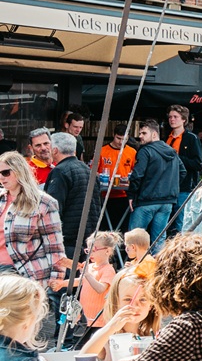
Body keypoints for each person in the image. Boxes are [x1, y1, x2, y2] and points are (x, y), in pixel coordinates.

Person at [0, 152, 66, 339]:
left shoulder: (43, 202)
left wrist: (56, 279)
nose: (1, 178)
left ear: (19, 171)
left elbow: (54, 244)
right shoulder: (1, 198)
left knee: (15, 328)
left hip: (21, 271)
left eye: (6, 172)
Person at [125, 120, 182, 249]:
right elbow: (182, 172)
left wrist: (131, 195)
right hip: (167, 201)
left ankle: (134, 267)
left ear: (155, 134)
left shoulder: (145, 151)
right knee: (159, 239)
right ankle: (158, 268)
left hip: (147, 200)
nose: (140, 136)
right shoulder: (172, 151)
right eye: (140, 133)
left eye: (144, 133)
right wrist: (170, 186)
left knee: (134, 238)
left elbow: (137, 175)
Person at [43, 132, 92, 254]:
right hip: (88, 236)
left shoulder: (59, 171)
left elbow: (53, 207)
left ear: (54, 150)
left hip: (67, 239)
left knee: (67, 273)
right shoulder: (87, 169)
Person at [77, 230, 120, 327]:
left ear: (107, 251)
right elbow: (80, 281)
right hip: (85, 317)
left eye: (93, 250)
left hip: (98, 321)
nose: (90, 254)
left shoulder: (108, 270)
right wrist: (62, 283)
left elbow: (100, 289)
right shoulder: (91, 266)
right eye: (88, 250)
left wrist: (87, 274)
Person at [99, 123, 136, 230]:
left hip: (124, 195)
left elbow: (135, 172)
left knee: (123, 227)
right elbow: (94, 172)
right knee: (105, 227)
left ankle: (121, 247)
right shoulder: (102, 151)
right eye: (118, 138)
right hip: (105, 195)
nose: (121, 142)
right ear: (113, 135)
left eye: (124, 139)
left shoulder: (132, 152)